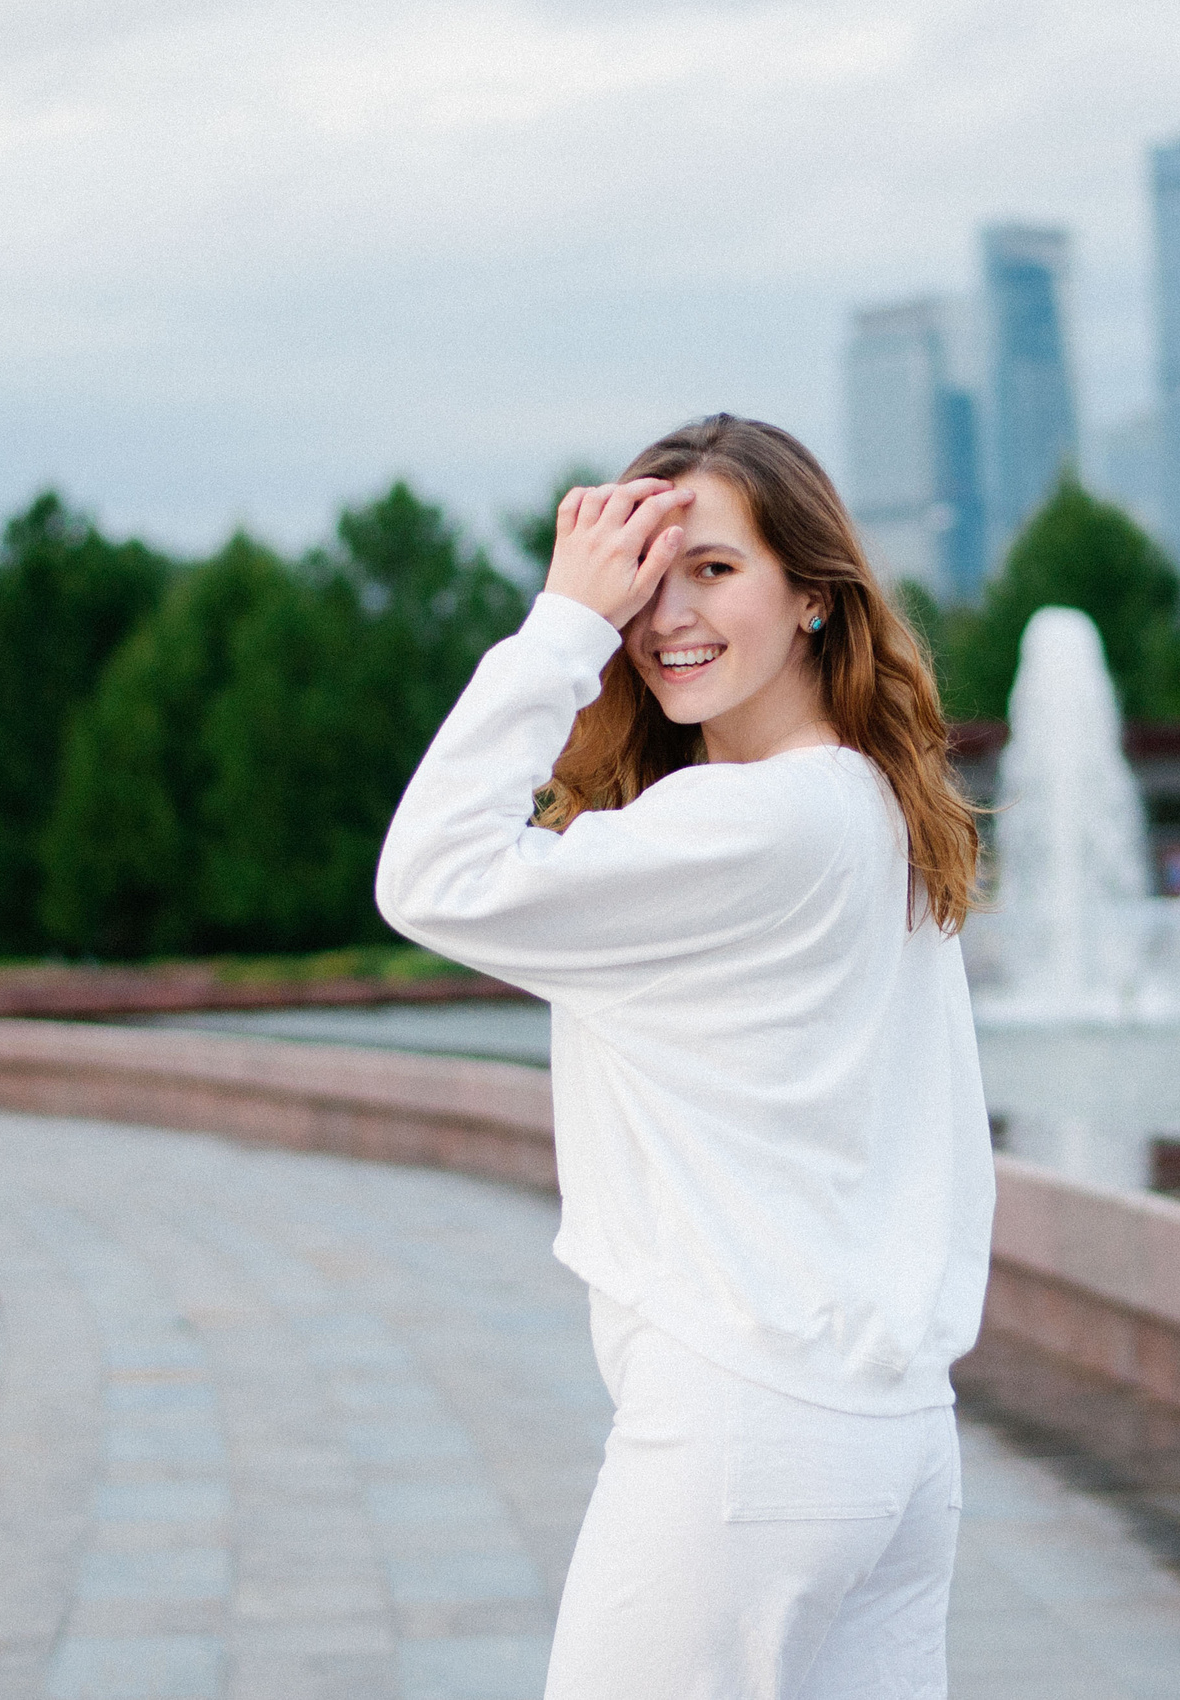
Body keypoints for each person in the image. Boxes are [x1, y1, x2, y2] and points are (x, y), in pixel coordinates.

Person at [376, 414, 995, 1698]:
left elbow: (430, 874)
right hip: (892, 1439)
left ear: (814, 596)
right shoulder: (875, 807)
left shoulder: (756, 821)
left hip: (749, 1428)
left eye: (713, 569)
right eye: (643, 579)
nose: (664, 615)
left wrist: (561, 625)